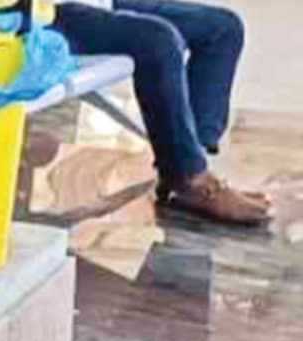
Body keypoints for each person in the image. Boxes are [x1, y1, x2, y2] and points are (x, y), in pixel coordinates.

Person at [51, 1, 273, 226]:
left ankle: (192, 164)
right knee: (158, 40)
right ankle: (191, 179)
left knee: (223, 28)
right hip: (48, 13)